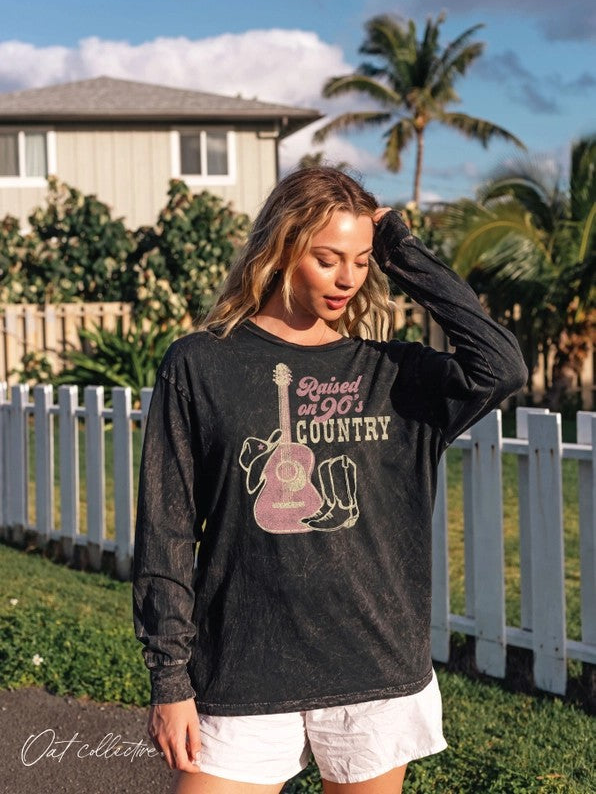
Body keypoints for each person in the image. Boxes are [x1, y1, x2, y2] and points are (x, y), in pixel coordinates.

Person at [132, 166, 527, 794]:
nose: (348, 278)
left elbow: (501, 366)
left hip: (374, 668)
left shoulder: (393, 375)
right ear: (282, 249)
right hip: (244, 665)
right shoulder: (201, 364)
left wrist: (399, 246)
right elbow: (167, 529)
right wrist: (169, 679)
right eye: (327, 258)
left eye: (361, 261)